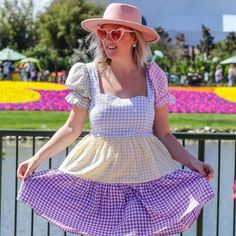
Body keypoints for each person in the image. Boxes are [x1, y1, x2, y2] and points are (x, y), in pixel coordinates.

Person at [17, 3, 214, 235]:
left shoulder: (154, 76)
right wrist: (36, 159)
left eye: (116, 33)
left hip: (146, 182)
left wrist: (194, 163)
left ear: (134, 38)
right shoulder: (87, 74)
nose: (108, 39)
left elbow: (164, 134)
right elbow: (72, 128)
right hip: (99, 184)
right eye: (103, 32)